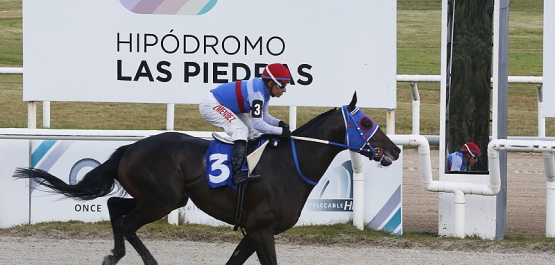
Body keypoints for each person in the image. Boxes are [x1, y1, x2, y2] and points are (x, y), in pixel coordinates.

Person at [199, 63, 292, 184]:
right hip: (212, 104)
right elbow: (258, 124)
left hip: (227, 106)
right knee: (241, 130)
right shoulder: (257, 94)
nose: (284, 90)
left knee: (252, 133)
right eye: (282, 85)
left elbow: (264, 116)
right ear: (270, 83)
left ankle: (251, 165)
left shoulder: (265, 91)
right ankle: (237, 172)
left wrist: (279, 123)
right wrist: (280, 132)